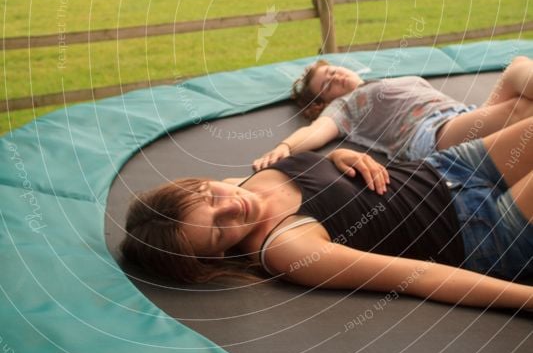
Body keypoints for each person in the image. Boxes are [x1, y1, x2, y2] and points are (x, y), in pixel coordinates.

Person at [122, 116, 533, 311]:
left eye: (209, 198)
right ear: (217, 255)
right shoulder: (286, 247)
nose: (231, 206)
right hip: (482, 230)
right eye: (218, 230)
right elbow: (417, 277)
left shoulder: (243, 181)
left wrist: (343, 154)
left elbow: (327, 178)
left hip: (448, 168)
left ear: (198, 182)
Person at [252, 55, 533, 170]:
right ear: (322, 103)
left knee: (519, 66)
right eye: (326, 85)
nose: (335, 77)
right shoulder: (345, 107)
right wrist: (286, 146)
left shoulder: (383, 80)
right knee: (520, 110)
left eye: (333, 70)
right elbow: (316, 131)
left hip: (463, 115)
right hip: (431, 134)